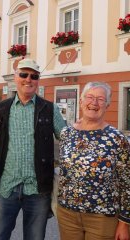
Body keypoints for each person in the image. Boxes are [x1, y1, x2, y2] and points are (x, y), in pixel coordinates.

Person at [0, 58, 66, 240]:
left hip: (38, 188)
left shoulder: (49, 109)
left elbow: (66, 137)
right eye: (24, 74)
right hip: (7, 186)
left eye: (34, 76)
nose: (28, 79)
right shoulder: (1, 108)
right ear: (15, 78)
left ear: (38, 80)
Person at [57, 82, 130, 240]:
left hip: (102, 218)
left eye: (100, 99)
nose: (94, 103)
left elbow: (127, 182)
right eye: (89, 97)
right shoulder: (66, 133)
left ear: (108, 105)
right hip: (67, 214)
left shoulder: (117, 138)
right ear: (81, 101)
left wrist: (125, 222)